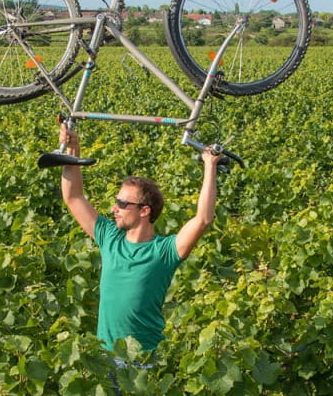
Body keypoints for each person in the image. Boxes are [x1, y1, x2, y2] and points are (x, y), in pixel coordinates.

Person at [57, 121, 222, 354]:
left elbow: (203, 219)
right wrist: (72, 149)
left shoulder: (164, 252)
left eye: (122, 204)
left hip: (145, 360)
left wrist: (210, 165)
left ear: (144, 211)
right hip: (105, 358)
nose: (114, 208)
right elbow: (73, 197)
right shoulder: (110, 238)